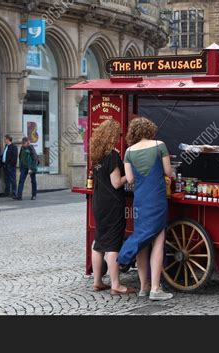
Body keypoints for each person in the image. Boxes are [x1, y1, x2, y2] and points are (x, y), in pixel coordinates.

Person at [118, 117, 173, 301]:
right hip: (157, 198)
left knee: (142, 241)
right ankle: (156, 289)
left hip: (140, 200)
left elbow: (130, 179)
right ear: (150, 129)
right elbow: (167, 171)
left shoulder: (128, 152)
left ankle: (143, 287)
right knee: (158, 240)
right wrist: (172, 173)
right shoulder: (160, 146)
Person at [90, 120, 135, 295]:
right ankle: (116, 284)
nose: (118, 138)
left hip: (99, 202)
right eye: (117, 135)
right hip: (112, 204)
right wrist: (130, 175)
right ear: (111, 136)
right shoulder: (113, 156)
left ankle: (97, 281)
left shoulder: (96, 155)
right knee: (113, 243)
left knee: (99, 242)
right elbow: (116, 183)